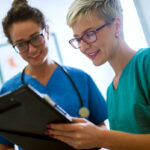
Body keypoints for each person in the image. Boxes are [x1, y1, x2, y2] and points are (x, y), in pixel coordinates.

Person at [0, 0, 108, 150]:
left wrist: (91, 136)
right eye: (21, 44)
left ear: (47, 31)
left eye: (36, 38)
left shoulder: (81, 78)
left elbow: (102, 129)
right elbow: (5, 145)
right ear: (13, 45)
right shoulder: (8, 91)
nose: (31, 50)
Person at [45, 0, 150, 150]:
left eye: (89, 34)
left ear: (117, 26)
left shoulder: (146, 63)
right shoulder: (112, 89)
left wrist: (101, 137)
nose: (83, 47)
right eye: (78, 39)